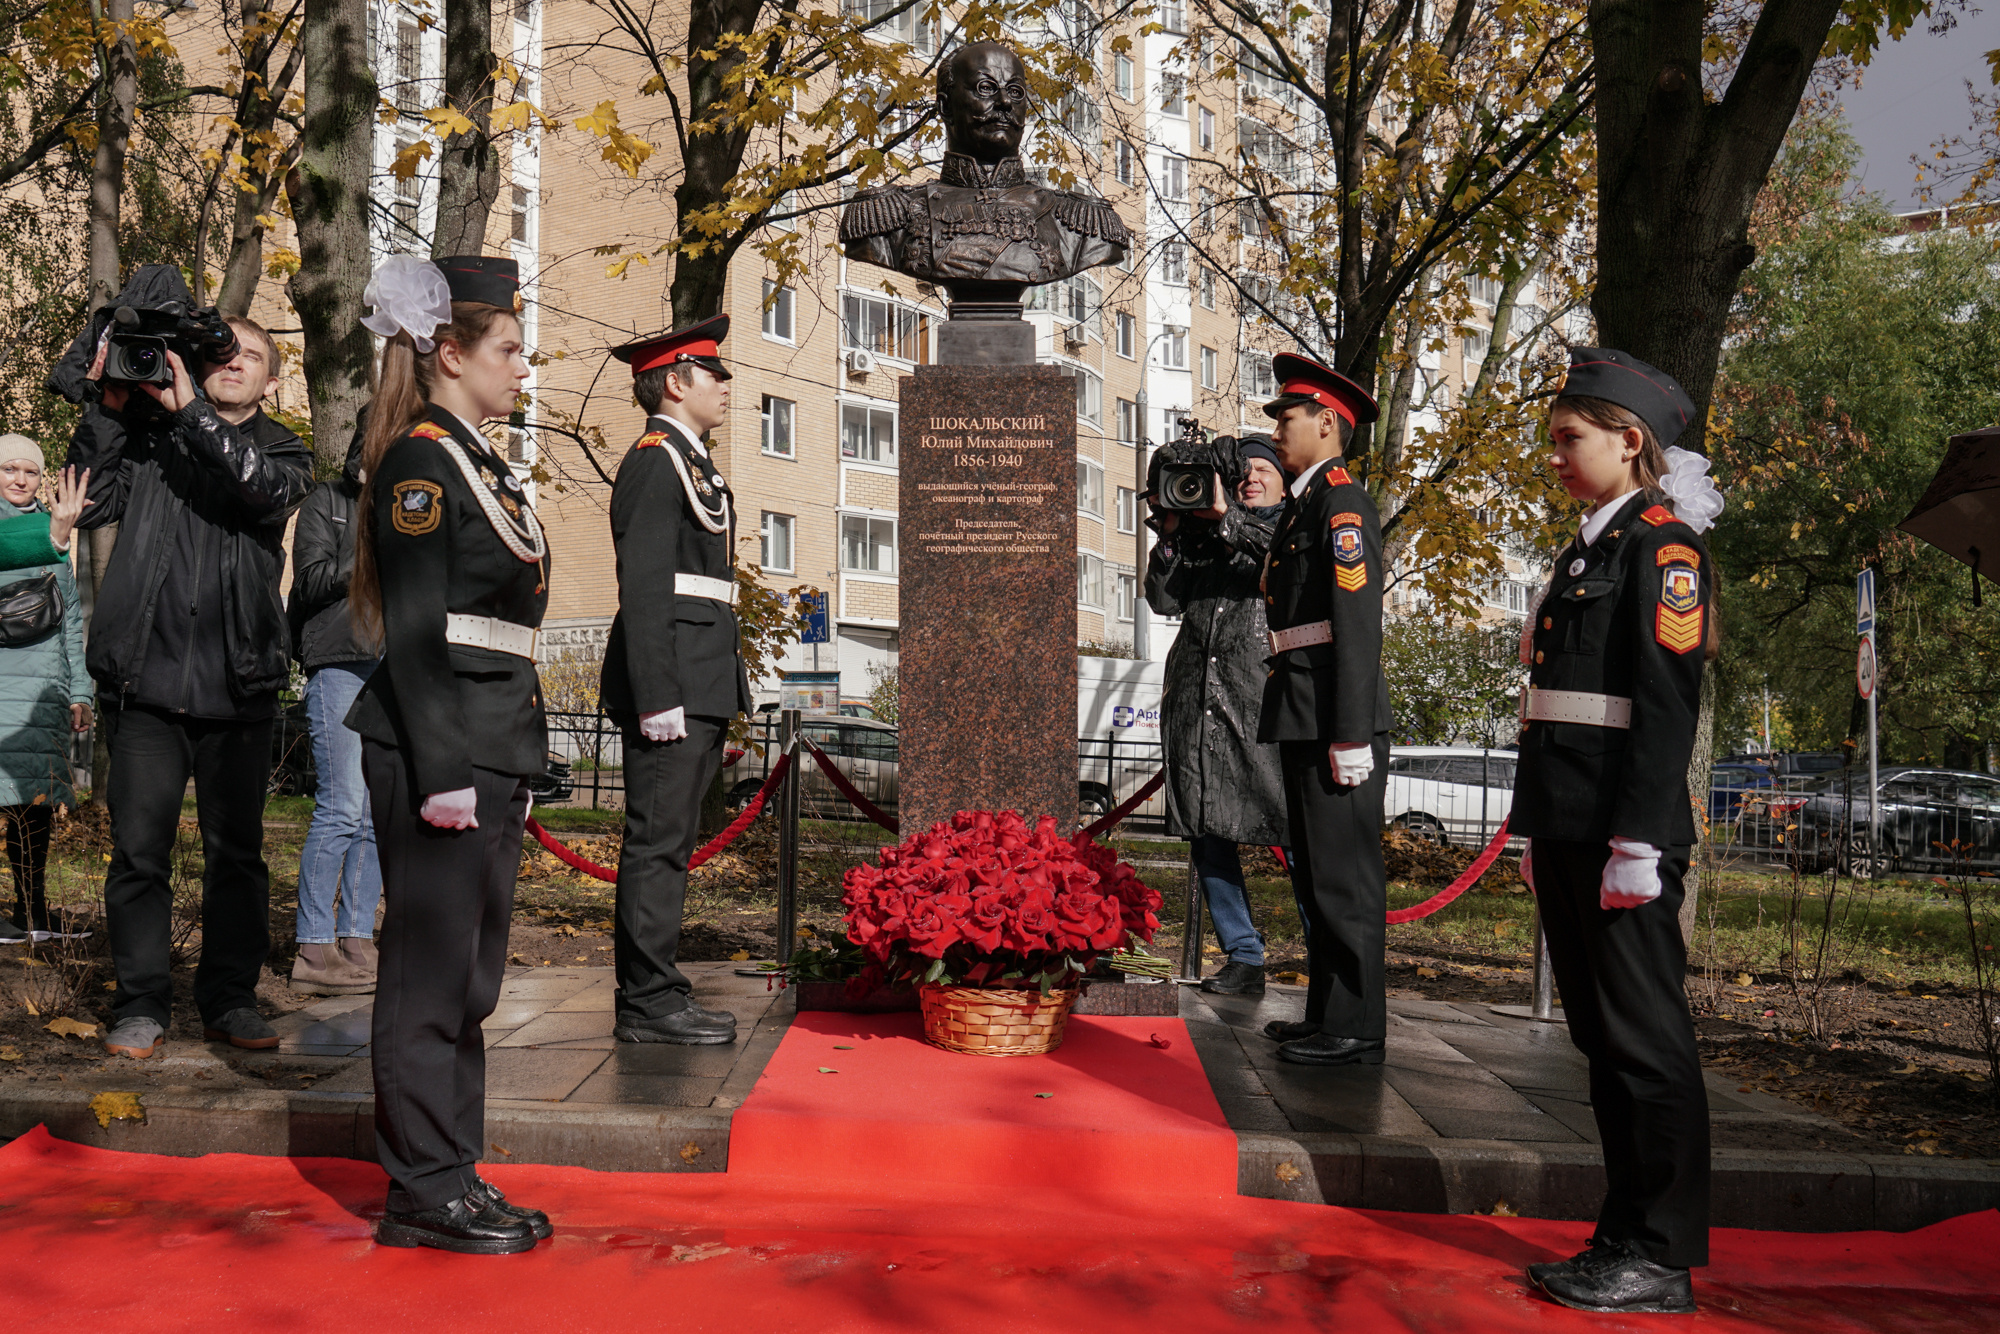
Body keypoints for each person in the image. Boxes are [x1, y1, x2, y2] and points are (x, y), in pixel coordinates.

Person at [343, 254, 551, 1255]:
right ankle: (421, 1187)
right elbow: (419, 628)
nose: (522, 365)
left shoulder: (477, 457)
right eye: (508, 348)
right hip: (445, 745)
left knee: (470, 976)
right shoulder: (421, 460)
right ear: (452, 351)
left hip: (488, 738)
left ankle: (452, 1165)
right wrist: (443, 770)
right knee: (429, 974)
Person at [1512, 348, 1720, 1315]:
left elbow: (1663, 706)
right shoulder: (1589, 546)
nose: (1555, 455)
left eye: (1570, 439)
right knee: (1603, 1039)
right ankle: (1623, 1230)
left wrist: (1638, 841)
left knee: (1645, 1040)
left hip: (1619, 834)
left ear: (1629, 441)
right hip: (1572, 824)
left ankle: (1662, 1250)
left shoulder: (1662, 548)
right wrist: (1539, 833)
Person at [67, 315, 315, 1060]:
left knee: (236, 854)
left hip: (239, 682)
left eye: (252, 356)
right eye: (221, 352)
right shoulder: (150, 438)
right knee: (138, 853)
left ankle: (229, 999)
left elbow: (262, 493)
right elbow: (92, 499)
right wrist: (110, 404)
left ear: (272, 381)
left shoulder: (283, 448)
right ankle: (140, 1002)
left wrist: (189, 413)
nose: (234, 361)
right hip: (143, 681)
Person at [600, 317, 751, 1046]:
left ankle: (656, 990)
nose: (725, 383)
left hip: (699, 677)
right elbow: (648, 591)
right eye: (712, 372)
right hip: (673, 687)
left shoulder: (689, 462)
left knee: (671, 843)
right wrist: (659, 696)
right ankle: (648, 1001)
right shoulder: (655, 461)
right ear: (675, 381)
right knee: (657, 844)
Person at [1254, 352, 1393, 1067]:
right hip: (1303, 705)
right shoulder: (1308, 503)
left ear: (1329, 424)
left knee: (1345, 880)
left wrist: (1350, 734)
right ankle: (1329, 1013)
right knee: (1317, 876)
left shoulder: (1342, 504)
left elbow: (1356, 624)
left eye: (1289, 415)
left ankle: (1359, 1024)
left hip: (1334, 717)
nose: (1278, 426)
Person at [1143, 434, 1290, 996]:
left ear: (1282, 478)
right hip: (1196, 699)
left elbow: (1274, 564)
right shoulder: (1207, 532)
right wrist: (1175, 532)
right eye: (1243, 471)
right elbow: (1164, 600)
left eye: (1264, 470)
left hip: (1260, 699)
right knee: (1207, 829)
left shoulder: (1291, 528)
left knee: (1290, 828)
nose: (1253, 478)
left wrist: (1224, 516)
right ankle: (1243, 955)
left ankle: (1325, 954)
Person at [285, 420, 381, 994]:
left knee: (374, 815)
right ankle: (313, 949)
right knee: (342, 806)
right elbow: (312, 580)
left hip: (393, 665)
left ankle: (356, 937)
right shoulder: (328, 500)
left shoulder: (412, 501)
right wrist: (373, 552)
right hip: (340, 660)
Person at [0, 446, 95, 946]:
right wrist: (54, 535)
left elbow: (70, 617)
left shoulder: (53, 523)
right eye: (9, 468)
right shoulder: (40, 531)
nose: (21, 478)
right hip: (2, 682)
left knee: (33, 805)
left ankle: (31, 910)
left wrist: (80, 689)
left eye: (31, 471)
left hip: (44, 688)